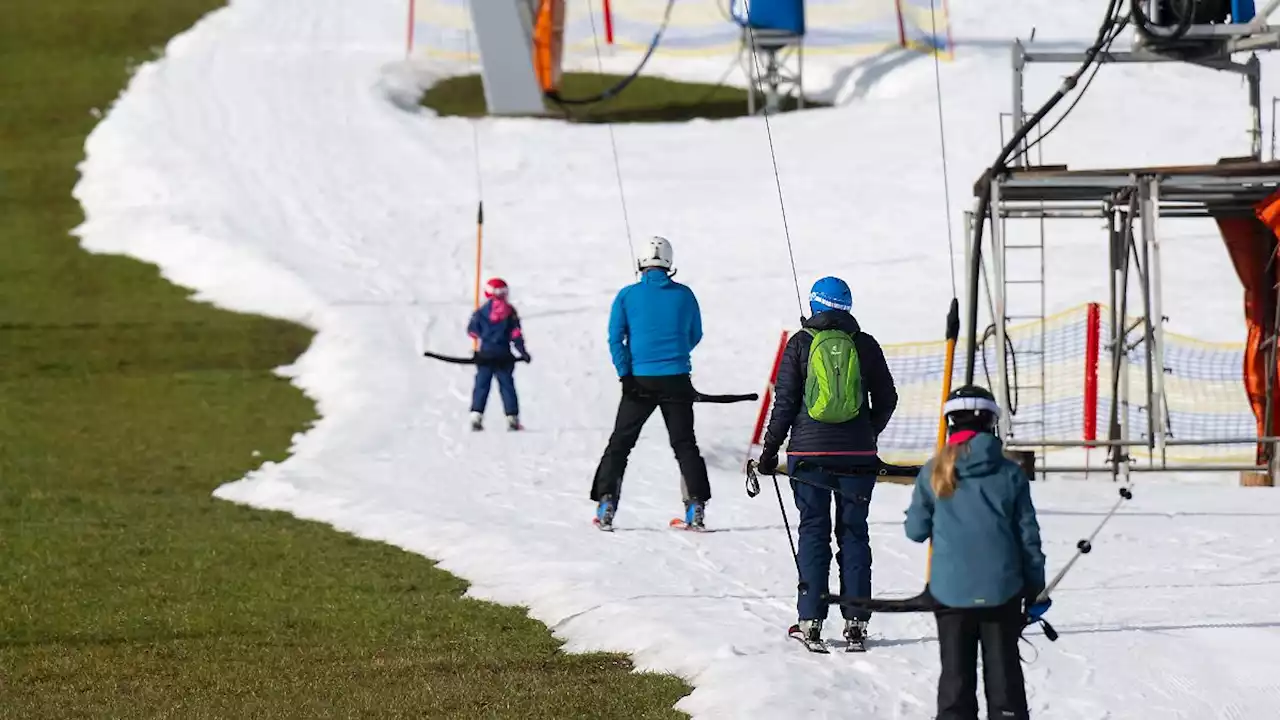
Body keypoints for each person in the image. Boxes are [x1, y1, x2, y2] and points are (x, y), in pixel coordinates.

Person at [756, 276, 898, 650]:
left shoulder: (800, 345)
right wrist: (868, 433)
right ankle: (856, 623)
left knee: (813, 532)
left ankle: (811, 621)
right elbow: (888, 397)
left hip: (809, 456)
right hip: (858, 457)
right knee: (854, 534)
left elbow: (784, 402)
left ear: (814, 304)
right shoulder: (865, 345)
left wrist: (770, 452)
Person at [904, 384, 1047, 720]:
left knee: (955, 680)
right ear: (991, 423)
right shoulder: (1010, 472)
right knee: (1005, 680)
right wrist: (1035, 588)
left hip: (950, 593)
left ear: (951, 423)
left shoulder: (934, 471)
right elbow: (1028, 537)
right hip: (1003, 592)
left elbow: (915, 532)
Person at [591, 236, 710, 531]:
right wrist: (674, 355)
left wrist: (625, 373)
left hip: (638, 382)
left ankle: (606, 504)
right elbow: (694, 334)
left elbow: (614, 338)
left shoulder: (626, 296)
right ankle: (695, 508)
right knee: (685, 444)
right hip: (677, 380)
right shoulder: (685, 295)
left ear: (641, 263)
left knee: (620, 444)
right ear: (669, 264)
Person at [468, 277, 530, 432]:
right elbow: (516, 335)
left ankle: (476, 416)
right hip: (504, 355)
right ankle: (512, 418)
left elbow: (472, 331)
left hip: (485, 356)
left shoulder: (482, 312)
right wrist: (523, 352)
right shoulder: (510, 312)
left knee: (482, 386)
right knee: (507, 387)